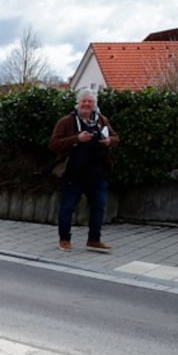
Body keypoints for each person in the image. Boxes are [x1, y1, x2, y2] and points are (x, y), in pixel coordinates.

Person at [49, 88, 119, 253]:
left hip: (97, 173)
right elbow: (53, 144)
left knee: (99, 207)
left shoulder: (101, 120)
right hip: (73, 173)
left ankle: (94, 240)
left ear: (94, 104)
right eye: (84, 101)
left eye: (90, 102)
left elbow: (116, 137)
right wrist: (77, 139)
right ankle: (64, 240)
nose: (87, 104)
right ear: (78, 103)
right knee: (67, 207)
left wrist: (109, 141)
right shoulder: (66, 121)